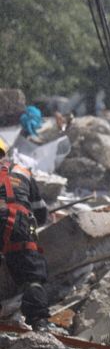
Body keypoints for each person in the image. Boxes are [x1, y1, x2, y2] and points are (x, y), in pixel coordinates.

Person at [0, 137, 50, 330]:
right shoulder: (23, 172)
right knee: (32, 277)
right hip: (19, 223)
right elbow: (41, 212)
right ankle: (40, 323)